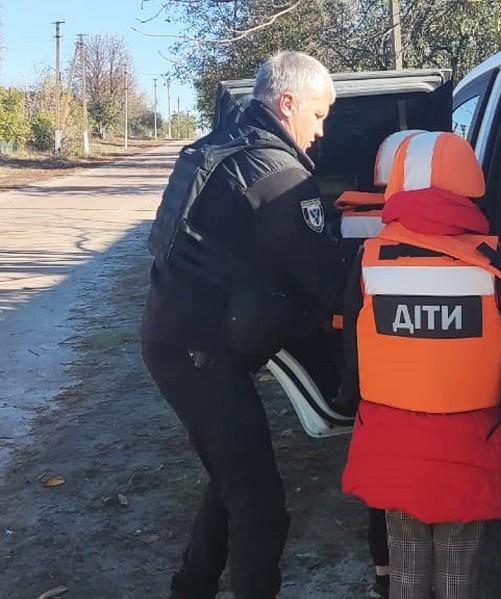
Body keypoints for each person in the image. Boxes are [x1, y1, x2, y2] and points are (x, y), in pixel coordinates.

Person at [140, 51, 343, 599]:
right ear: (287, 103)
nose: (321, 131)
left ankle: (191, 587)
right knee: (261, 506)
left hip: (179, 340)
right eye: (320, 115)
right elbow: (325, 279)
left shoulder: (226, 148)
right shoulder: (277, 173)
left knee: (232, 481)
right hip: (200, 357)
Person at [340, 131, 501, 598]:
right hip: (472, 441)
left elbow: (352, 347)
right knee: (458, 564)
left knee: (406, 561)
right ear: (468, 184)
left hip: (390, 439)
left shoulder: (369, 261)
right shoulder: (495, 266)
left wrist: (350, 402)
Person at [334, 128, 426, 599]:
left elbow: (350, 323)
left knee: (386, 491)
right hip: (455, 390)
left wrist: (349, 395)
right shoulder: (479, 244)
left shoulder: (360, 231)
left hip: (382, 393)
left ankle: (388, 579)